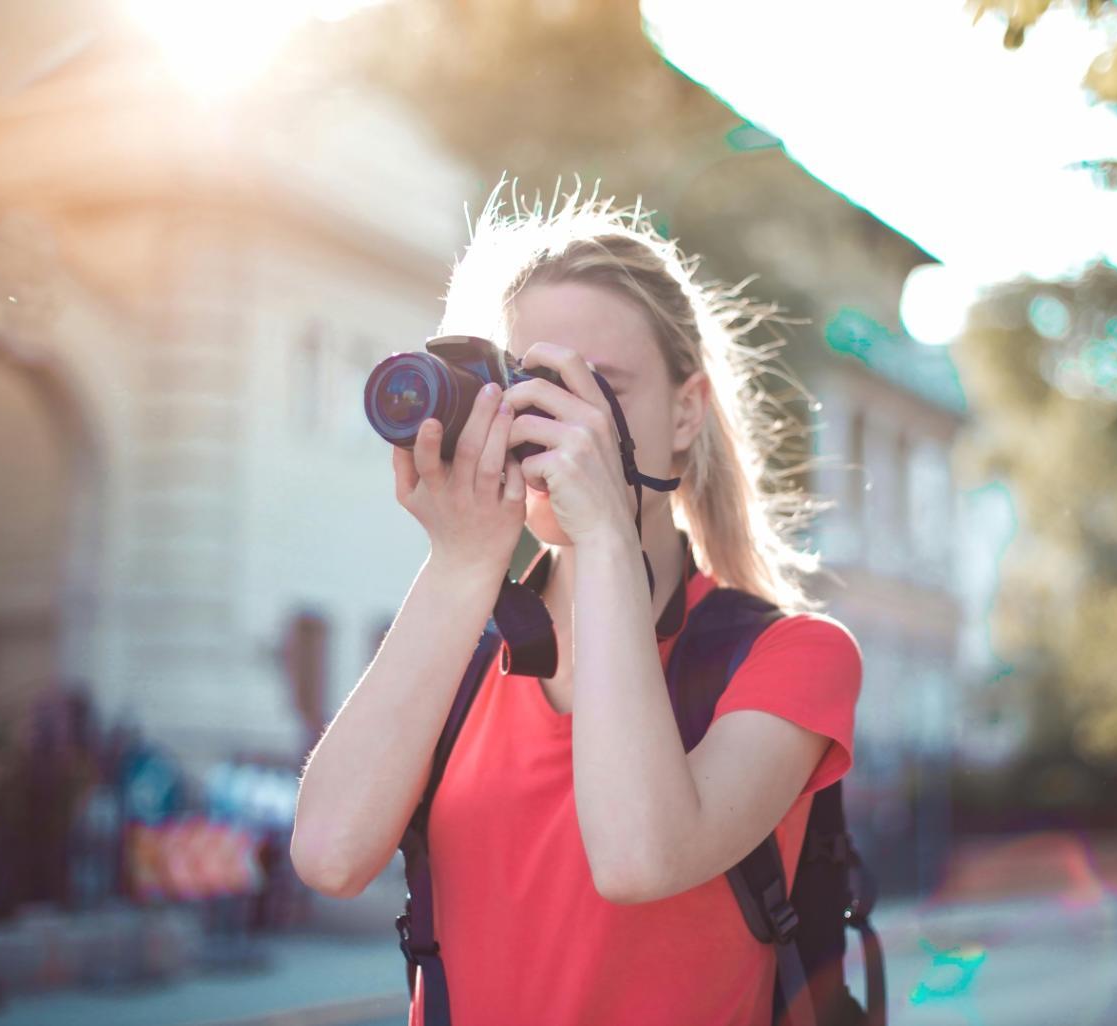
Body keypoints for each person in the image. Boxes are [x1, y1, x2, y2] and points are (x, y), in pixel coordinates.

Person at [291, 181, 864, 1025]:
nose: (560, 423)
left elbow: (639, 858)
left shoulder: (793, 659)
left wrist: (603, 539)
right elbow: (330, 857)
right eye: (529, 386)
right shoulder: (462, 650)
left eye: (597, 387)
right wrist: (461, 563)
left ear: (685, 412)